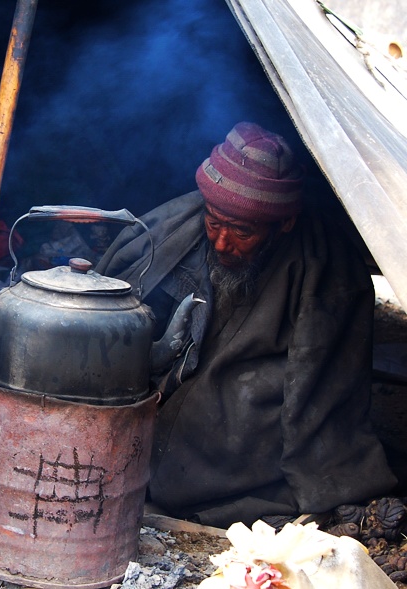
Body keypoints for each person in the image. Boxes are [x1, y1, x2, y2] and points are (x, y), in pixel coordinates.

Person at [95, 121, 396, 528]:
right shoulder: (172, 226)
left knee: (230, 422)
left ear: (283, 224)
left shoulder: (325, 269)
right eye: (214, 223)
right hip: (164, 381)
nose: (221, 243)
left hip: (252, 396)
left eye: (242, 232)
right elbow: (105, 306)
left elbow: (323, 390)